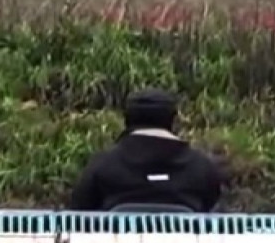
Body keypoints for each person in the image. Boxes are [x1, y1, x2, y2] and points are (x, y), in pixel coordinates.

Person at [69, 89, 226, 213]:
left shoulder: (103, 165)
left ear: (127, 119)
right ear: (172, 120)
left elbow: (79, 212)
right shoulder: (202, 167)